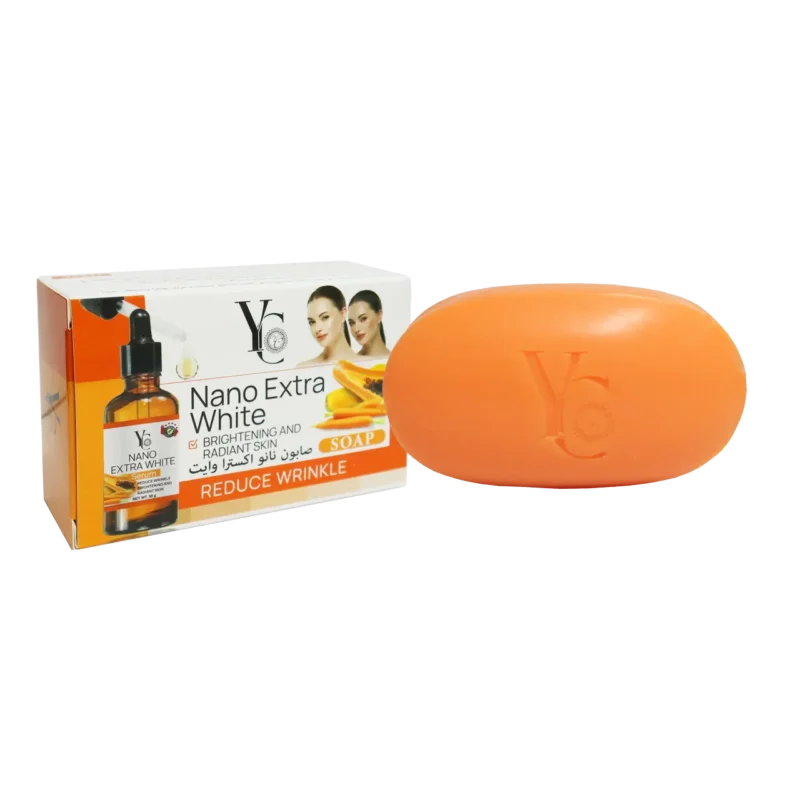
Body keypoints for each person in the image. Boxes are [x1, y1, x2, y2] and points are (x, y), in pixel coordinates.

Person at [297, 286, 356, 367]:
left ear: (343, 313)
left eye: (325, 317)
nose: (317, 329)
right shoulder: (304, 368)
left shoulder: (366, 363)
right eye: (312, 322)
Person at [349, 290, 390, 359]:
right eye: (352, 323)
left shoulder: (397, 359)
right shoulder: (351, 362)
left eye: (363, 319)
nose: (356, 329)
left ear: (379, 315)